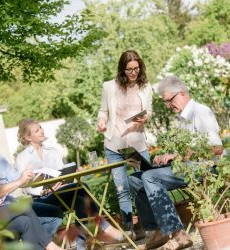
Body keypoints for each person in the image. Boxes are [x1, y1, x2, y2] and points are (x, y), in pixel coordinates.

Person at [128, 75, 224, 250]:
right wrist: (169, 156)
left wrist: (181, 156)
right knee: (135, 179)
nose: (167, 106)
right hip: (186, 167)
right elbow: (185, 152)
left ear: (181, 94)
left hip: (205, 168)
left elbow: (217, 148)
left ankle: (179, 234)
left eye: (168, 101)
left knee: (150, 177)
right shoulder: (183, 117)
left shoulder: (200, 112)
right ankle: (158, 231)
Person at [15, 118, 124, 250]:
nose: (41, 131)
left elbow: (63, 174)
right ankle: (104, 227)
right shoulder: (22, 157)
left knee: (79, 199)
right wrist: (43, 190)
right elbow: (24, 186)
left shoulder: (53, 151)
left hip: (61, 193)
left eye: (41, 128)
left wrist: (63, 182)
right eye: (36, 130)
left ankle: (81, 246)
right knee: (82, 189)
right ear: (28, 137)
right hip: (42, 200)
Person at [0, 124, 65, 250]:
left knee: (28, 221)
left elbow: (16, 178)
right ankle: (49, 245)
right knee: (23, 207)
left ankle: (43, 245)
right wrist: (20, 181)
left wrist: (33, 176)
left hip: (6, 207)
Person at [97, 50, 153, 232]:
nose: (133, 73)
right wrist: (101, 121)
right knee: (122, 189)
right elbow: (103, 111)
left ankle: (151, 227)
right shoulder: (109, 87)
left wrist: (146, 118)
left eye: (136, 68)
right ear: (122, 69)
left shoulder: (146, 87)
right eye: (129, 69)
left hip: (136, 145)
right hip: (114, 145)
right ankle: (129, 232)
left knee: (146, 184)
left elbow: (149, 111)